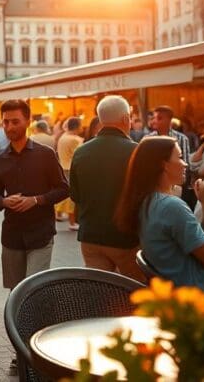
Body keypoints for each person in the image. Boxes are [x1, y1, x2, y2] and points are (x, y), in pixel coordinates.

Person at [115, 137, 204, 290]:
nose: (185, 164)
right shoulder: (172, 207)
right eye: (180, 157)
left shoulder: (145, 201)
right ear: (164, 165)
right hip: (202, 293)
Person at [0, 99, 69, 290]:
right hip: (12, 234)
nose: (9, 127)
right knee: (15, 291)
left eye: (15, 121)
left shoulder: (46, 154)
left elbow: (64, 189)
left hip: (40, 233)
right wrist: (5, 201)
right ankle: (16, 321)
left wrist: (36, 200)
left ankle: (36, 320)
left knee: (34, 288)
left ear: (27, 121)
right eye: (6, 122)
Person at [69, 96, 144, 281]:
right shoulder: (136, 151)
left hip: (90, 235)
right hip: (126, 237)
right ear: (126, 119)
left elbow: (75, 195)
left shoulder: (81, 151)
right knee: (134, 290)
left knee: (98, 291)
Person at [146, 105, 194, 209]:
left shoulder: (182, 138)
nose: (154, 121)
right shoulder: (148, 139)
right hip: (152, 187)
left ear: (169, 120)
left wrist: (179, 187)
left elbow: (185, 164)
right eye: (153, 118)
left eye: (159, 118)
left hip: (175, 186)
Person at [55, 117, 83, 230]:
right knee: (72, 196)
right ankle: (72, 221)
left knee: (64, 193)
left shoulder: (63, 137)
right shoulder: (75, 139)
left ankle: (58, 214)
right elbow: (81, 154)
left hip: (63, 167)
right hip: (72, 168)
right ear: (77, 126)